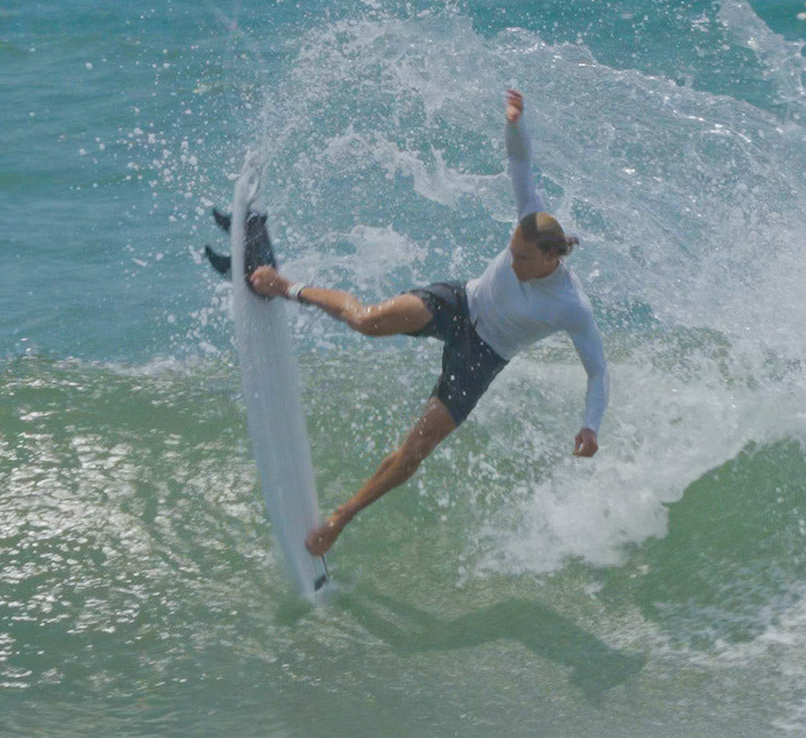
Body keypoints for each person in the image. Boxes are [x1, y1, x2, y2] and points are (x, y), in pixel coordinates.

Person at [250, 89, 609, 556]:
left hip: (483, 357)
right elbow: (520, 165)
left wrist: (590, 426)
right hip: (460, 302)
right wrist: (515, 123)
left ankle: (341, 519)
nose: (513, 262)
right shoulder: (529, 221)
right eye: (510, 252)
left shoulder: (571, 306)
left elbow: (598, 370)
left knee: (414, 452)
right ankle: (288, 288)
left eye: (522, 259)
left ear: (549, 257)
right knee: (368, 320)